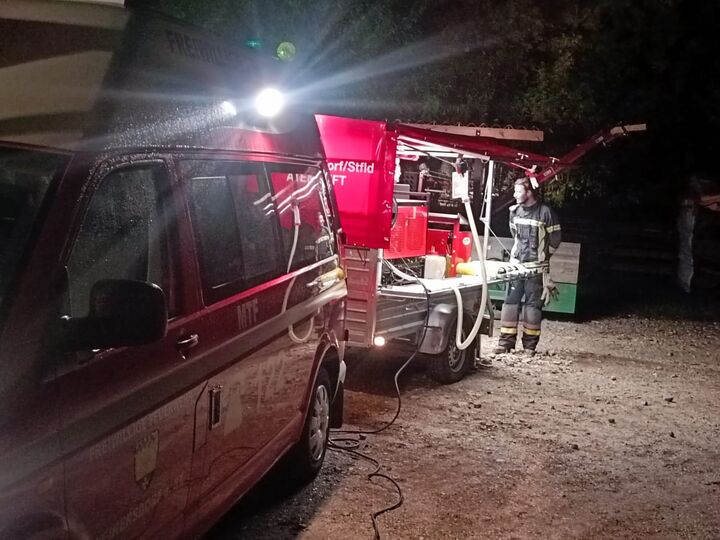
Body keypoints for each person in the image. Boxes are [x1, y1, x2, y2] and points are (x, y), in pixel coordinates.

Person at [493, 177, 562, 355]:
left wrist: (543, 257)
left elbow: (555, 239)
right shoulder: (514, 211)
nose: (515, 195)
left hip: (536, 269)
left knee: (532, 306)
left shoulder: (545, 213)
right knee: (510, 303)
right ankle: (505, 343)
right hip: (516, 267)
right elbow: (514, 234)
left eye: (518, 191)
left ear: (529, 192)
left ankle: (529, 347)